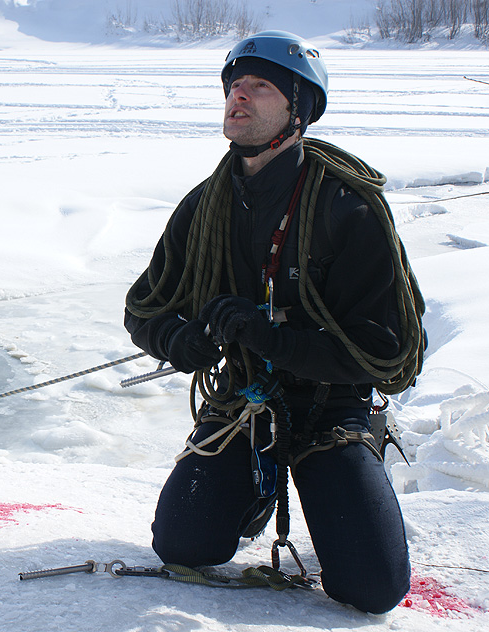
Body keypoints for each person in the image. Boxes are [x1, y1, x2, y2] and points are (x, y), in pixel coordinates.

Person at [124, 31, 425, 614]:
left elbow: (381, 352)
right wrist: (177, 339)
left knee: (371, 590)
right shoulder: (204, 204)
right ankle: (249, 488)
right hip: (241, 399)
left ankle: (348, 472)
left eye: (259, 86)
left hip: (329, 408)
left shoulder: (348, 207)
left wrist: (270, 338)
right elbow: (144, 307)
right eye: (235, 86)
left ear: (299, 108)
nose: (239, 96)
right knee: (184, 546)